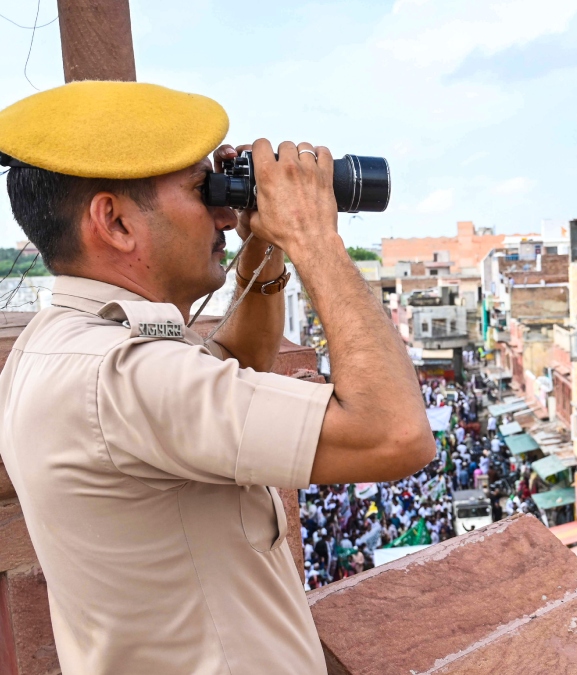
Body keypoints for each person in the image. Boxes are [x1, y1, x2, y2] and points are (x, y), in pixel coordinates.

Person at [0, 82, 435, 674]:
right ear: (116, 223)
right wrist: (313, 237)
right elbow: (395, 434)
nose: (222, 212)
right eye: (198, 190)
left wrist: (263, 243)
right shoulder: (123, 377)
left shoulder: (58, 346)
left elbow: (233, 368)